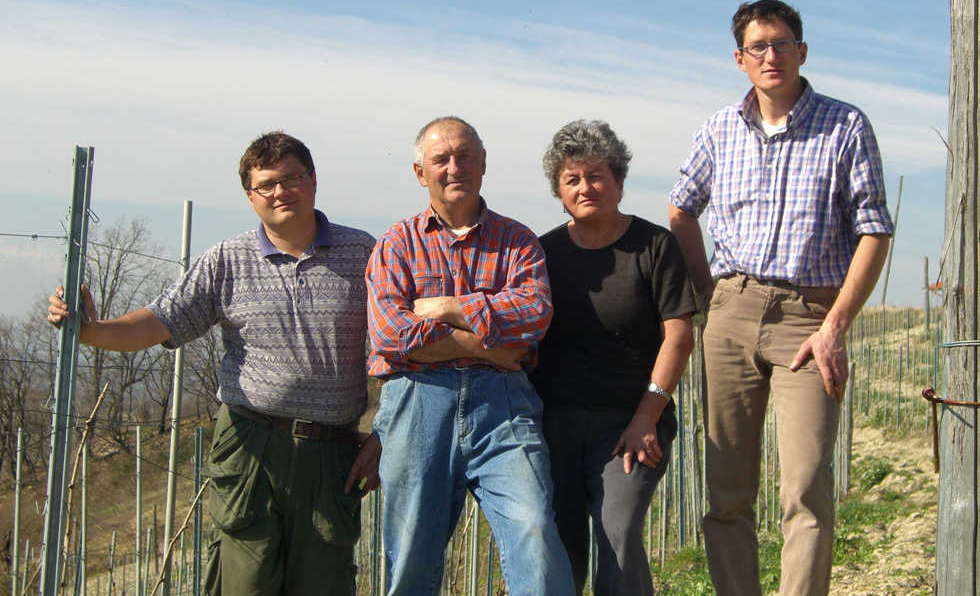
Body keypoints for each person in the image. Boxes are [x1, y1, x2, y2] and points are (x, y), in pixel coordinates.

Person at [47, 132, 382, 596]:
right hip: (249, 446)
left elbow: (399, 349)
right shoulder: (227, 259)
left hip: (332, 454)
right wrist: (92, 331)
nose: (281, 191)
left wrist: (385, 434)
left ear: (313, 180)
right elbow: (159, 321)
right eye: (266, 184)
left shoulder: (363, 253)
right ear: (250, 196)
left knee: (324, 585)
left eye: (292, 178)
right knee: (245, 585)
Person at [668, 0, 894, 596]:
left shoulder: (846, 126)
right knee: (727, 494)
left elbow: (875, 231)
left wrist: (835, 325)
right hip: (732, 310)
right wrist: (708, 293)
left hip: (810, 319)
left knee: (806, 489)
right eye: (758, 47)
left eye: (783, 43)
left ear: (802, 51)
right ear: (739, 59)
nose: (772, 55)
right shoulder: (718, 129)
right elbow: (681, 210)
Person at [365, 116, 575, 596]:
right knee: (411, 555)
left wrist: (447, 308)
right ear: (421, 173)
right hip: (417, 405)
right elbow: (391, 334)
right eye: (440, 159)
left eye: (464, 156)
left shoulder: (518, 242)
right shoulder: (397, 243)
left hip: (503, 406)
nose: (453, 167)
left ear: (482, 164)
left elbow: (534, 315)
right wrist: (489, 347)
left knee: (534, 529)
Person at [531, 119, 696, 596]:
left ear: (619, 182)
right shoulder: (541, 253)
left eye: (597, 175)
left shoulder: (654, 247)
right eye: (572, 179)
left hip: (630, 423)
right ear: (559, 191)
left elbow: (679, 337)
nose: (585, 187)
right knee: (558, 545)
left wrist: (647, 417)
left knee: (618, 530)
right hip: (554, 425)